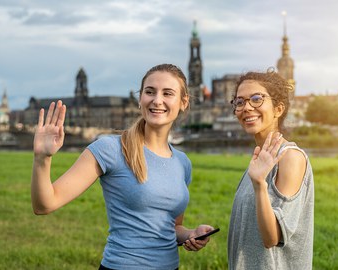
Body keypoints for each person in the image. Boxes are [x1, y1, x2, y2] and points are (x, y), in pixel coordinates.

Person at [31, 63, 214, 270]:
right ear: (140, 99)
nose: (157, 100)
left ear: (183, 102)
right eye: (150, 92)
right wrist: (42, 159)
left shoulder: (182, 163)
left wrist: (190, 234)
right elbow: (44, 205)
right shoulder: (109, 149)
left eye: (167, 93)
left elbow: (171, 228)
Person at [227, 69, 314, 269]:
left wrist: (259, 184)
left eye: (256, 99)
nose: (246, 107)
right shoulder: (260, 160)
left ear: (278, 109)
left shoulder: (290, 157)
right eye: (239, 102)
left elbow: (271, 237)